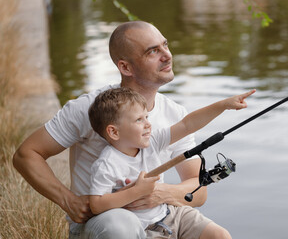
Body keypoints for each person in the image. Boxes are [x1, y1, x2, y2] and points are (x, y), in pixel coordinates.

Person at [11, 20, 233, 238]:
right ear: (125, 67)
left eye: (165, 45)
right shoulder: (90, 108)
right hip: (107, 221)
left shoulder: (175, 114)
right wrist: (67, 200)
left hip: (161, 214)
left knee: (219, 235)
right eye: (153, 51)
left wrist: (161, 193)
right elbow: (26, 155)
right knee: (121, 228)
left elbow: (199, 191)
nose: (167, 55)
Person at [87, 87, 255, 238]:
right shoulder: (107, 164)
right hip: (143, 228)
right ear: (114, 132)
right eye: (139, 120)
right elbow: (96, 204)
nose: (148, 124)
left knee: (220, 235)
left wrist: (223, 105)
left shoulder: (153, 141)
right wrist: (136, 191)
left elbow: (187, 124)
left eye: (147, 117)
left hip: (171, 213)